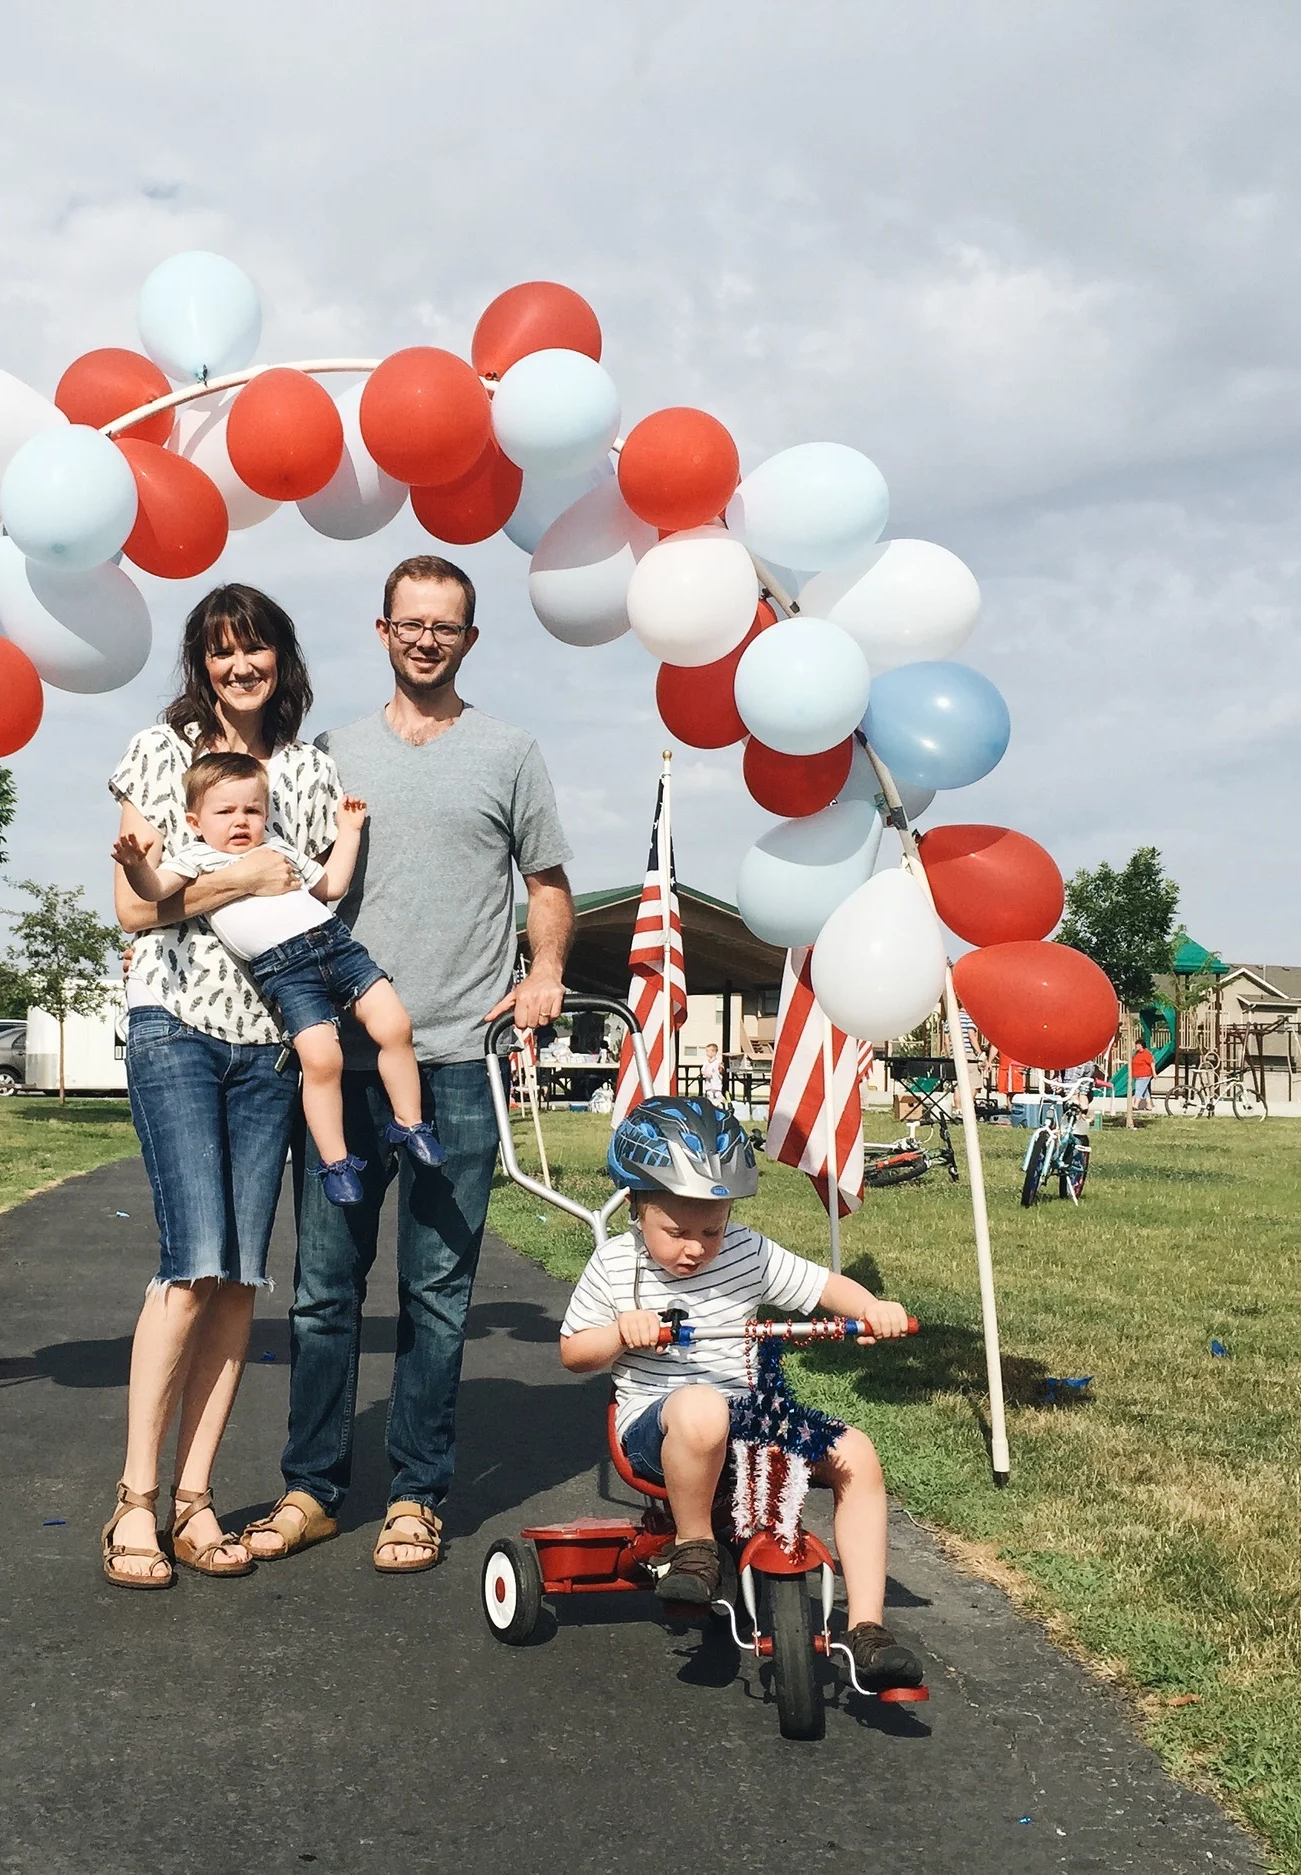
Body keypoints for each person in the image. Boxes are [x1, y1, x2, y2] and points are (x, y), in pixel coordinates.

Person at [245, 554, 573, 1575]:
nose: (427, 639)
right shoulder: (327, 754)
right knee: (322, 1291)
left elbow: (547, 882)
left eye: (446, 625)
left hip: (458, 1060)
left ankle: (416, 1495)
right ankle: (312, 1488)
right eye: (411, 623)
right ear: (382, 631)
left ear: (468, 639)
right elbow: (272, 874)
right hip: (339, 1063)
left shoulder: (509, 753)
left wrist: (545, 971)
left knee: (437, 1292)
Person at [102, 585, 342, 1591]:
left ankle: (195, 1500)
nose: (240, 667)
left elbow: (320, 899)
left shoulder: (313, 771)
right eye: (220, 651)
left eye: (256, 649)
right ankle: (134, 1502)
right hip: (178, 1028)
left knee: (241, 1276)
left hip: (270, 1045)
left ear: (283, 658)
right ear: (200, 663)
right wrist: (242, 879)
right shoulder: (158, 753)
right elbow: (133, 910)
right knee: (191, 1259)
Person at [558, 1096, 923, 1689]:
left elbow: (824, 1287)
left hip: (749, 1419)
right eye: (677, 1232)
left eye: (712, 1228)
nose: (696, 1247)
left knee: (856, 1452)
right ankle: (695, 1547)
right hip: (658, 1429)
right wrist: (621, 1333)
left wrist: (872, 1308)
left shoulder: (746, 1252)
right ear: (637, 1209)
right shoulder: (615, 1264)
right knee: (702, 1408)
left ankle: (866, 1629)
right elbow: (573, 1352)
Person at [116, 756, 439, 1204]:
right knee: (322, 1060)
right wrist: (137, 866)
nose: (240, 820)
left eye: (252, 810)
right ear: (194, 822)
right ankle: (336, 1162)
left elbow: (331, 887)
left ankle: (410, 1123)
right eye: (225, 811)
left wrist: (349, 831)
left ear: (265, 814)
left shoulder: (277, 848)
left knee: (395, 1026)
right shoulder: (197, 859)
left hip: (336, 945)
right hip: (286, 971)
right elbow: (153, 892)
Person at [1126, 1039, 1155, 1129]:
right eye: (1136, 1045)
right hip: (1138, 1075)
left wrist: (1154, 1073)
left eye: (1138, 1045)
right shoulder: (1137, 1053)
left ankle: (1136, 1104)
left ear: (1142, 1045)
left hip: (1145, 1075)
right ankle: (1149, 1105)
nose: (1137, 1046)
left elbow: (1152, 1063)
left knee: (1139, 1089)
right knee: (1145, 1091)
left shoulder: (1146, 1054)